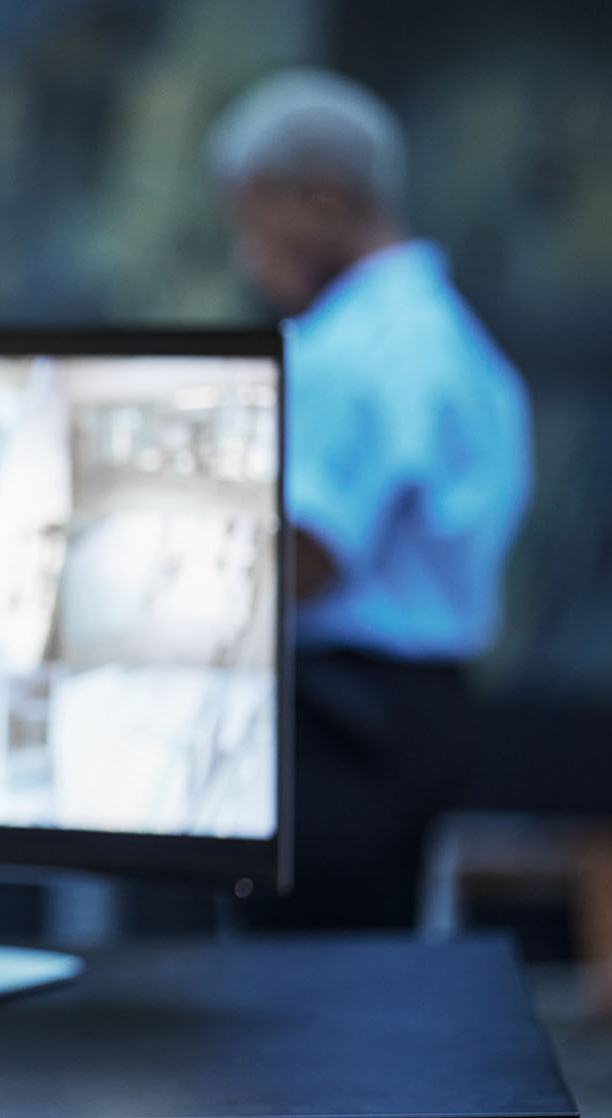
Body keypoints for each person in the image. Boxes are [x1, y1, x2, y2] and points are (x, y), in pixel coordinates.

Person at [208, 69, 533, 927]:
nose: (248, 257)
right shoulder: (453, 339)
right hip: (416, 713)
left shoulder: (357, 353)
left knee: (301, 1007)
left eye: (252, 221)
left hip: (341, 727)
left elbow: (303, 560)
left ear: (320, 200)